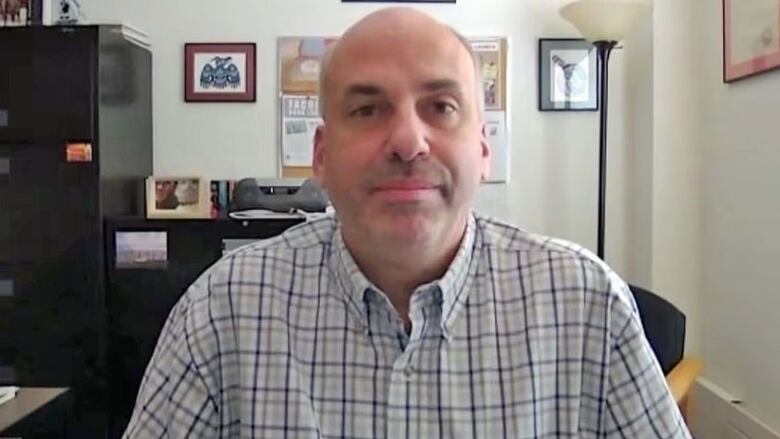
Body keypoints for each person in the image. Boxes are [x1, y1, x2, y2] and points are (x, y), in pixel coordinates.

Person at [124, 7, 691, 438]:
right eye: (367, 109)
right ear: (320, 154)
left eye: (441, 107)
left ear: (483, 147)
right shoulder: (222, 311)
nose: (406, 141)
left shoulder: (586, 304)